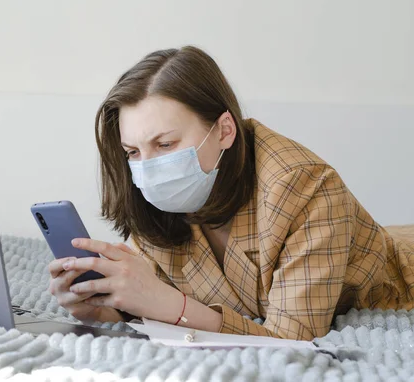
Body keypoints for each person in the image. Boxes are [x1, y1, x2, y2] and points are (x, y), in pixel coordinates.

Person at [47, 46, 414, 340]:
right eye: (133, 152)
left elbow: (294, 337)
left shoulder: (306, 186)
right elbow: (151, 291)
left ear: (224, 131)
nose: (147, 167)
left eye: (166, 144)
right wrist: (102, 307)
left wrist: (172, 307)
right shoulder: (159, 202)